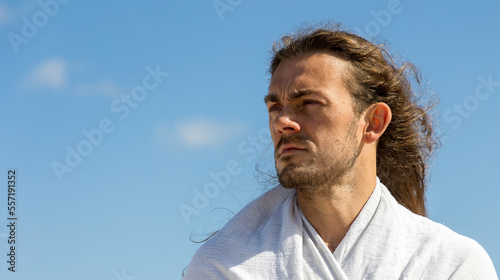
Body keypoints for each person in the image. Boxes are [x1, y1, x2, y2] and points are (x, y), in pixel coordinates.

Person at [183, 25, 498, 279]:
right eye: (275, 107)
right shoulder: (225, 265)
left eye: (309, 103)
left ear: (372, 122)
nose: (282, 122)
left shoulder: (450, 265)